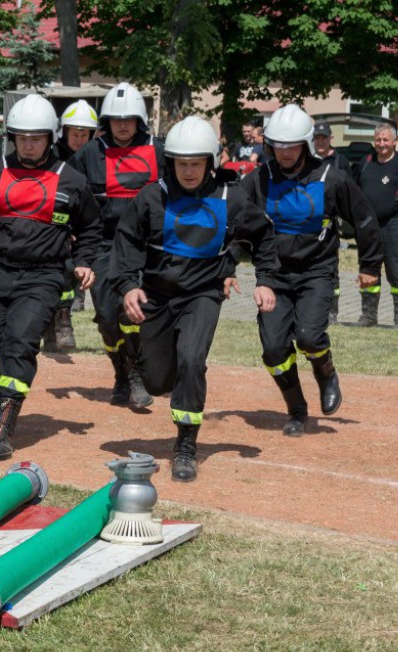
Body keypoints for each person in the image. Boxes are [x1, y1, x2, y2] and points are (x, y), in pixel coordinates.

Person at [111, 116, 278, 482]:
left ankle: (186, 444)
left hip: (203, 294)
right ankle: (144, 367)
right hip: (157, 295)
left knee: (191, 359)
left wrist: (265, 280)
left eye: (196, 163)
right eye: (182, 163)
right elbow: (126, 242)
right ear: (170, 162)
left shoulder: (229, 198)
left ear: (210, 162)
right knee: (156, 381)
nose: (188, 171)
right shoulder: (152, 197)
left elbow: (264, 236)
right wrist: (128, 286)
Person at [0, 94, 101, 461]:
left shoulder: (71, 180)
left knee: (19, 344)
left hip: (43, 276)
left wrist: (83, 261)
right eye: (23, 138)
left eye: (37, 138)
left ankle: (3, 426)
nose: (29, 145)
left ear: (50, 138)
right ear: (13, 137)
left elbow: (92, 227)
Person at [241, 104, 383, 437]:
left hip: (316, 272)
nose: (285, 152)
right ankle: (296, 409)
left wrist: (370, 266)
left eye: (291, 145)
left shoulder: (330, 178)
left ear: (305, 144)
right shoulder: (259, 179)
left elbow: (364, 219)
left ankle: (325, 372)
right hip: (273, 276)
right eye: (278, 145)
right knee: (274, 350)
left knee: (308, 336)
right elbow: (235, 219)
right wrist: (225, 268)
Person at [70, 82, 163, 410]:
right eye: (116, 119)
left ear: (140, 120)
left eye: (129, 119)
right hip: (103, 245)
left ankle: (136, 373)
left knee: (135, 311)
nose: (122, 125)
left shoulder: (159, 151)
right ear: (106, 121)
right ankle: (121, 371)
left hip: (148, 246)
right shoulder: (88, 154)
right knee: (109, 317)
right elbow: (68, 196)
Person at [353, 122, 398, 329]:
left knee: (396, 270)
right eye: (378, 139)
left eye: (386, 139)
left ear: (394, 141)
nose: (381, 144)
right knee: (368, 267)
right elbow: (354, 190)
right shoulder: (365, 163)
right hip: (369, 225)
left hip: (395, 224)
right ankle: (368, 316)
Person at [45, 99, 99, 351]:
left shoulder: (95, 158)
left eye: (84, 134)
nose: (79, 139)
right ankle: (55, 324)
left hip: (84, 226)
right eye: (75, 133)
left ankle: (63, 319)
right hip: (54, 225)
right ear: (64, 131)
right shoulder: (51, 157)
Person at [312, 122, 351, 324]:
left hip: (330, 224)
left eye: (323, 138)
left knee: (330, 267)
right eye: (317, 138)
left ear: (330, 139)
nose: (320, 141)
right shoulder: (306, 159)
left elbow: (349, 190)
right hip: (307, 222)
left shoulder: (340, 161)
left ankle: (331, 311)